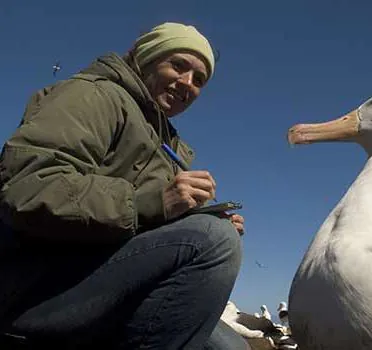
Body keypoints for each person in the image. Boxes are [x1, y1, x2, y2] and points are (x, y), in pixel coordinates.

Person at [0, 22, 249, 349]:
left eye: (199, 79)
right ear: (147, 58)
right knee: (213, 240)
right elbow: (27, 188)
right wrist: (159, 203)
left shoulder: (167, 145)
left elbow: (144, 220)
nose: (187, 82)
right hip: (33, 287)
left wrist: (187, 217)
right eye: (178, 65)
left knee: (234, 347)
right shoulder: (93, 95)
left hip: (97, 278)